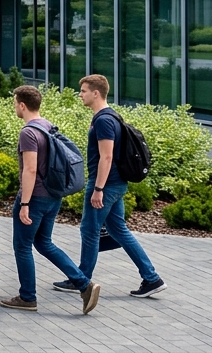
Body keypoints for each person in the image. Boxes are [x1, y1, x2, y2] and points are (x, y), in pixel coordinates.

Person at [58, 74, 166, 298]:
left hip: (106, 186)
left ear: (95, 93)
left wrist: (98, 189)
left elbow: (106, 158)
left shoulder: (104, 120)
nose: (80, 95)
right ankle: (151, 278)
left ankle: (81, 279)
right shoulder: (110, 116)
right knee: (119, 230)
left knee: (89, 230)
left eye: (84, 91)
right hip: (115, 185)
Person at [0, 85, 101, 314]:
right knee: (43, 242)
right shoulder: (46, 125)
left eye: (15, 103)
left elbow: (30, 170)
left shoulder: (28, 132)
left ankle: (27, 297)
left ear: (22, 105)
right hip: (53, 196)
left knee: (23, 246)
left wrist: (24, 204)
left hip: (34, 197)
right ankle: (84, 284)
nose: (14, 106)